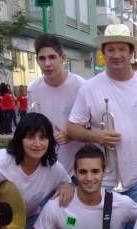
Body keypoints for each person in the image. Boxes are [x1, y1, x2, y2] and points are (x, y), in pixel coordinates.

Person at [68, 24, 137, 229]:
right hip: (103, 180)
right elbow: (72, 127)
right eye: (111, 50)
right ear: (103, 53)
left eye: (122, 49)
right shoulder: (89, 88)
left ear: (131, 53)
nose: (116, 55)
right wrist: (97, 137)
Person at [28, 34, 86, 175]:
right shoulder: (33, 88)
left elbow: (94, 124)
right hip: (46, 166)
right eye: (42, 58)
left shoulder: (82, 86)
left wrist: (72, 134)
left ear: (63, 58)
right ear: (37, 61)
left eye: (52, 57)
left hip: (77, 167)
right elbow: (30, 126)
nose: (47, 63)